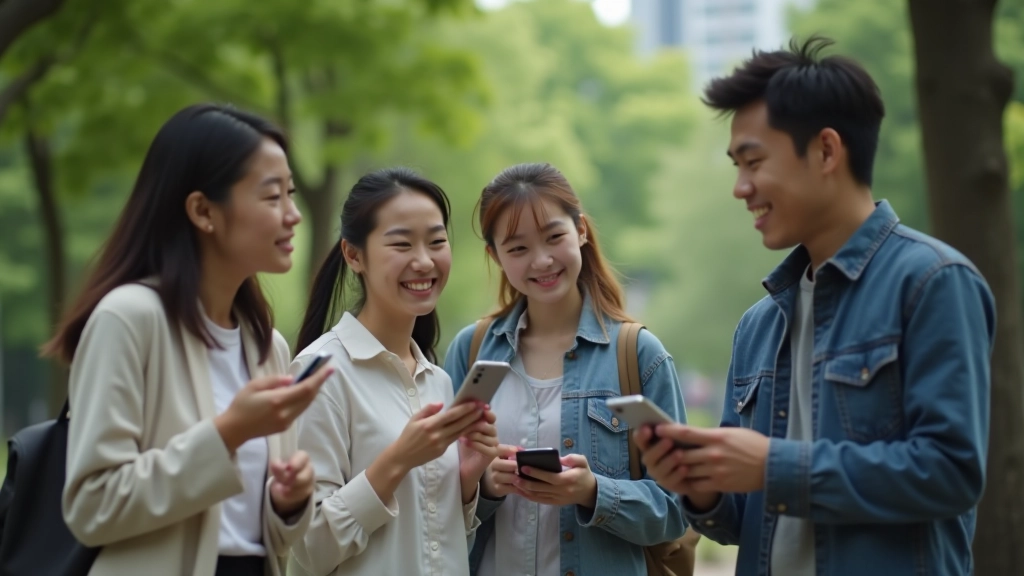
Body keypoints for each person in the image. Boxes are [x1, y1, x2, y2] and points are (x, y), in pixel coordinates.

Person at [635, 36, 996, 576]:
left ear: (827, 151)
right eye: (736, 165)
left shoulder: (932, 282)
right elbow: (743, 520)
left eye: (753, 162)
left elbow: (950, 472)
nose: (740, 188)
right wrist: (699, 487)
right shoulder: (758, 325)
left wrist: (773, 466)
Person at [46, 104, 331, 576]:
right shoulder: (129, 319)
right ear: (203, 210)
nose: (293, 215)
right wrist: (228, 433)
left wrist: (289, 502)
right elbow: (92, 506)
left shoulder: (268, 347)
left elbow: (267, 538)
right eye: (272, 196)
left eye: (292, 193)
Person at [444, 163, 689, 576]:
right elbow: (431, 497)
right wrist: (483, 488)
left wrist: (594, 492)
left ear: (581, 231)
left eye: (554, 237)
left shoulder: (637, 355)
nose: (541, 261)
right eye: (518, 248)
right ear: (495, 256)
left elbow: (679, 507)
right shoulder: (471, 351)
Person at [287, 167, 499, 576]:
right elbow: (308, 548)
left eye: (437, 241)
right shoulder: (319, 373)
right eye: (401, 244)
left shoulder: (437, 380)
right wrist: (398, 459)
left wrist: (467, 479)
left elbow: (433, 543)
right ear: (354, 255)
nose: (424, 261)